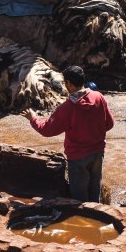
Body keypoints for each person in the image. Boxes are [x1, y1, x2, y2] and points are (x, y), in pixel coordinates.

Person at [21, 66, 115, 203]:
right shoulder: (99, 97)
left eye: (65, 82)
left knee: (79, 200)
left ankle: (83, 221)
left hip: (77, 158)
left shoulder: (67, 108)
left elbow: (47, 130)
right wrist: (93, 132)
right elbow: (110, 124)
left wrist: (33, 118)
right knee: (95, 192)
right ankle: (98, 218)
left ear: (69, 83)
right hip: (98, 153)